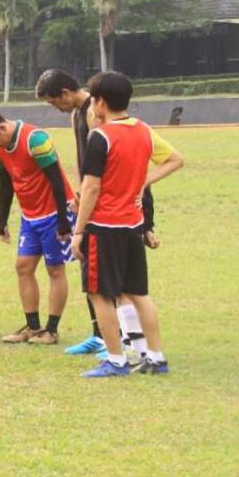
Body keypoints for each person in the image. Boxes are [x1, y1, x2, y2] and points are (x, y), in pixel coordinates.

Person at [36, 68, 159, 357]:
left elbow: (122, 171)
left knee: (109, 285)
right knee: (93, 278)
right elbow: (85, 167)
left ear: (66, 93)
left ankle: (118, 343)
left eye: (55, 102)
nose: (56, 107)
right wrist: (78, 196)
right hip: (93, 206)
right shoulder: (77, 114)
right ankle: (99, 335)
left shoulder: (98, 114)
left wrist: (147, 219)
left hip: (107, 213)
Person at [72, 72, 184, 377]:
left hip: (103, 226)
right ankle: (156, 357)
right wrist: (144, 181)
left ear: (100, 102)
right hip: (132, 226)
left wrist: (79, 230)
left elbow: (91, 187)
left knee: (99, 293)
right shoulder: (144, 130)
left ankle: (116, 360)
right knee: (138, 293)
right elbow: (175, 159)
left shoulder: (101, 137)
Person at [0, 110, 74, 345]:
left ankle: (51, 330)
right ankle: (33, 326)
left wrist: (62, 219)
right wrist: (1, 220)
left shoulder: (35, 139)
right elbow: (6, 184)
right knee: (23, 267)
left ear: (2, 129)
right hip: (29, 216)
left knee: (55, 270)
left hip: (52, 213)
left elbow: (57, 180)